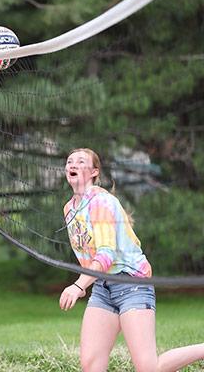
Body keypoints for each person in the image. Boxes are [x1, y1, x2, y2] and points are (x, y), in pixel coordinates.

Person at [59, 148, 204, 372]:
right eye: (70, 162)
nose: (73, 165)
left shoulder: (101, 202)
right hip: (102, 288)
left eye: (81, 161)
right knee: (91, 365)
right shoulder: (69, 209)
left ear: (94, 172)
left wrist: (78, 286)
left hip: (132, 285)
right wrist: (87, 281)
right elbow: (86, 256)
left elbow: (106, 255)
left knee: (149, 368)